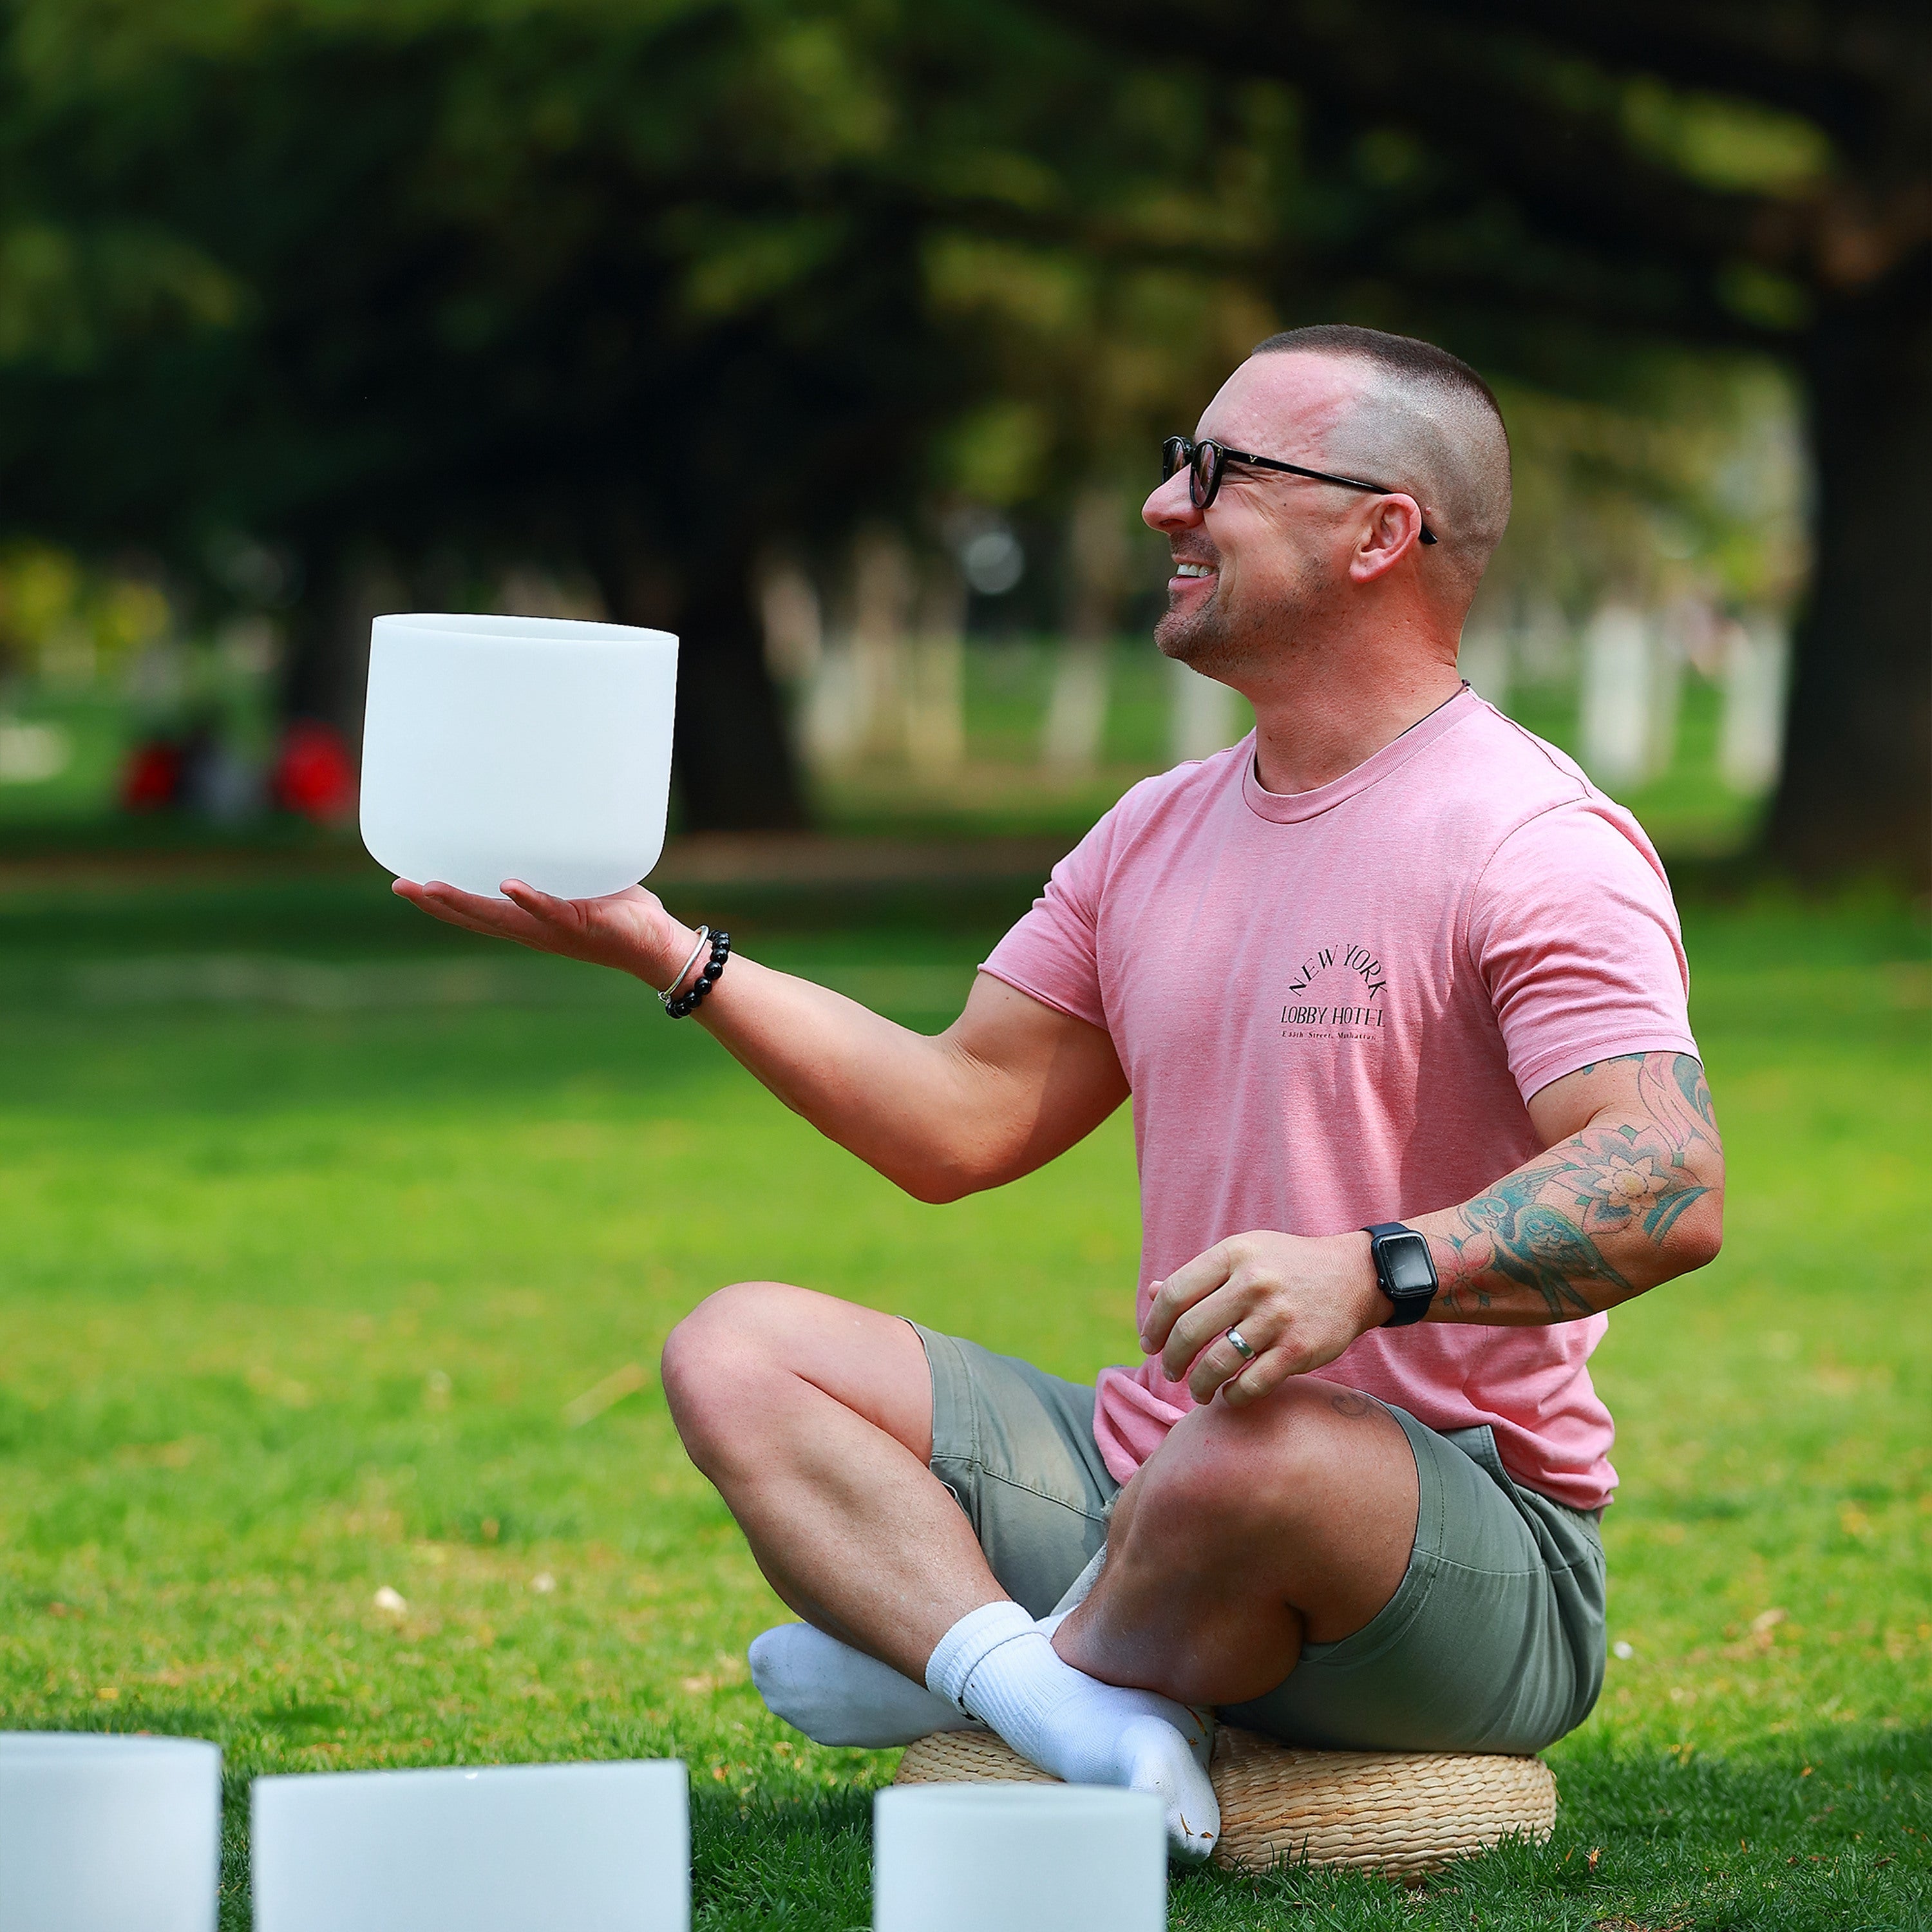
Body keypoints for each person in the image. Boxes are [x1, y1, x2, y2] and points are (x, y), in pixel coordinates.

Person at [397, 324, 1725, 1859]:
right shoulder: (1153, 830)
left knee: (1263, 1443)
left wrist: (1378, 1272)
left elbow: (1667, 1179)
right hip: (1149, 1473)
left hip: (1465, 1552)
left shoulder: (1531, 837)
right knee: (740, 1347)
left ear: (1383, 533)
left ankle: (982, 1655)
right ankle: (1038, 1681)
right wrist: (666, 951)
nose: (1168, 503)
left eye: (1219, 470)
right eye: (1178, 459)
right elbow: (965, 1116)